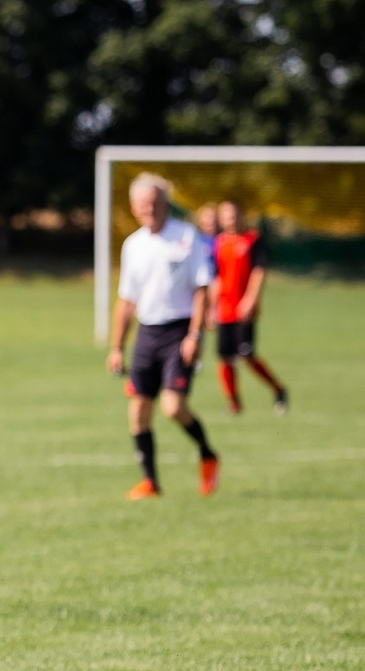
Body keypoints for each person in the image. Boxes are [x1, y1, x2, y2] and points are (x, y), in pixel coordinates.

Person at [107, 173, 221, 499]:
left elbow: (202, 290)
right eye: (143, 204)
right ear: (133, 207)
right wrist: (116, 347)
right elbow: (127, 300)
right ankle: (150, 482)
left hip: (180, 330)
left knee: (172, 407)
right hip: (147, 332)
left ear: (165, 203)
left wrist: (195, 335)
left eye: (155, 202)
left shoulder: (187, 237)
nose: (150, 209)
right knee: (138, 412)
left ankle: (208, 453)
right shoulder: (133, 245)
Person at [211, 199, 288, 415]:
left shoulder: (252, 239)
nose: (230, 218)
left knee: (246, 356)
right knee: (224, 357)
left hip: (243, 309)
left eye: (234, 214)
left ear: (242, 215)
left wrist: (250, 299)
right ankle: (233, 402)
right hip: (224, 309)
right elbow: (217, 277)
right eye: (226, 214)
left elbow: (259, 270)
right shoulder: (219, 242)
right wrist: (211, 307)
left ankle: (278, 389)